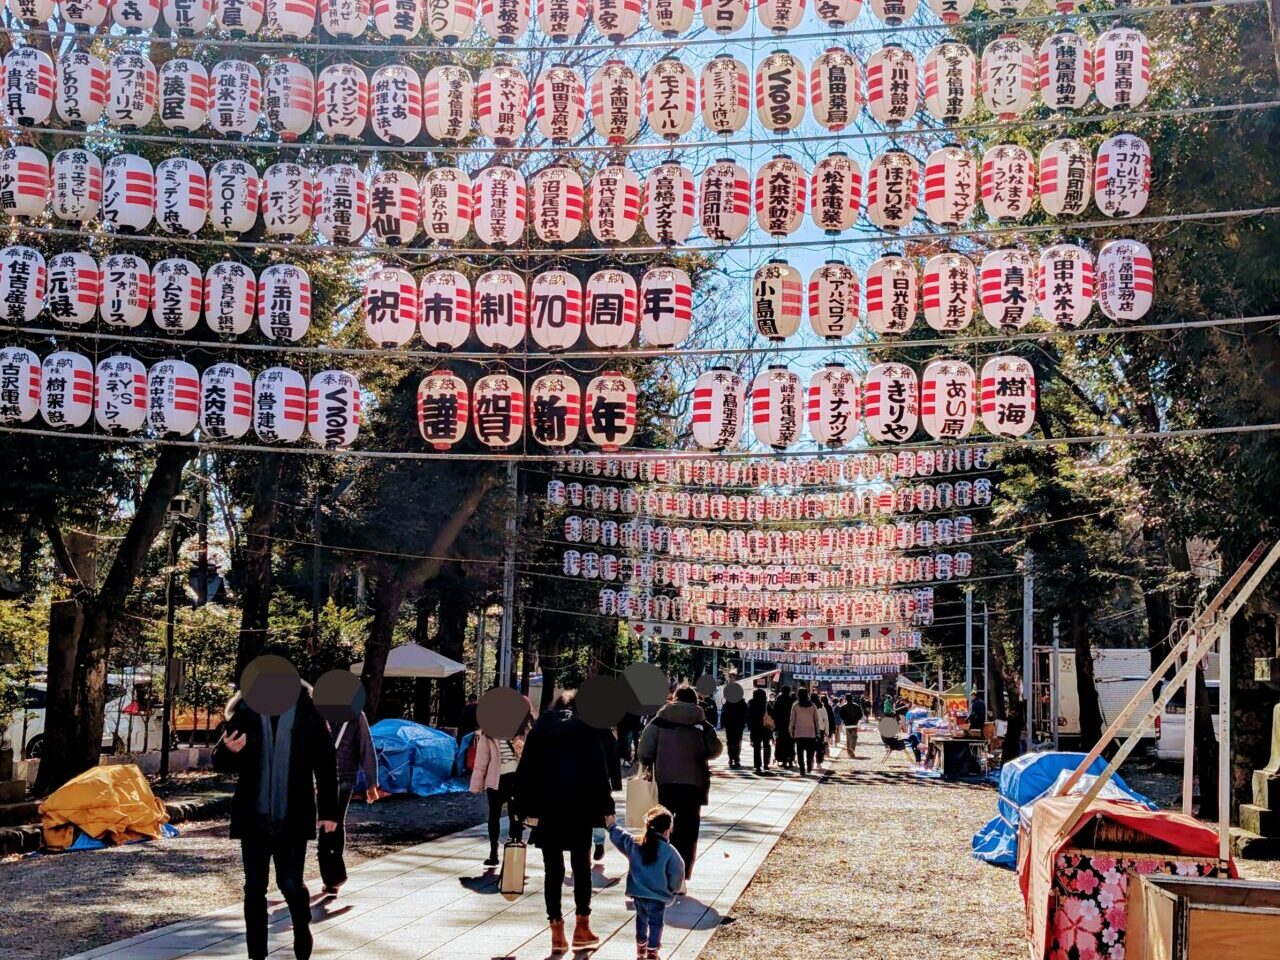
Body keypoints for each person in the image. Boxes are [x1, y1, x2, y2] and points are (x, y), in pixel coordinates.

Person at [213, 679, 338, 960]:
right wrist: (228, 752)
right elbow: (221, 761)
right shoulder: (244, 709)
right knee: (254, 888)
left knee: (290, 883)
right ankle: (256, 955)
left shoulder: (309, 711)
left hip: (292, 818)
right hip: (253, 818)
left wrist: (329, 812)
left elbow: (326, 763)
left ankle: (301, 928)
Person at [513, 691, 615, 953]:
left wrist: (520, 806)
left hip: (548, 808)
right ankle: (582, 926)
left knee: (553, 871)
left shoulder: (540, 730)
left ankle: (556, 932)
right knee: (581, 867)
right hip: (579, 808)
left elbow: (525, 769)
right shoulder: (587, 729)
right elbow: (598, 772)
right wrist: (606, 807)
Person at [637, 684, 722, 885]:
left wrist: (651, 761)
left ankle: (659, 869)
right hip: (694, 783)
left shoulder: (659, 720)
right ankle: (681, 876)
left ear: (674, 698)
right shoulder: (702, 722)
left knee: (661, 825)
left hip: (666, 781)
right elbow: (715, 749)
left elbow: (645, 751)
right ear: (695, 700)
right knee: (688, 829)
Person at [606, 806, 684, 960]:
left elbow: (620, 837)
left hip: (638, 893)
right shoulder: (669, 851)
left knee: (641, 919)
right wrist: (672, 889)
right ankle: (653, 950)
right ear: (668, 830)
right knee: (656, 923)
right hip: (658, 896)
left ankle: (641, 945)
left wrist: (611, 826)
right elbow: (677, 872)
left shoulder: (635, 843)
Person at [319, 709, 380, 894]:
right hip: (345, 776)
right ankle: (333, 877)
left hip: (322, 775)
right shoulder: (356, 713)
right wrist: (371, 783)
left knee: (326, 825)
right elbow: (366, 747)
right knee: (335, 822)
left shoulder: (318, 710)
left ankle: (333, 876)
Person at [469, 718, 528, 867]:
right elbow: (481, 760)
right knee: (494, 815)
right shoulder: (488, 733)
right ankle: (493, 852)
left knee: (515, 816)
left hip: (516, 778)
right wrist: (477, 784)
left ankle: (514, 851)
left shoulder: (521, 729)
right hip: (496, 779)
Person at [592, 725, 623, 861]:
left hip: (588, 778)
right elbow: (614, 758)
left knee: (595, 812)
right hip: (601, 779)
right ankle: (598, 843)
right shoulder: (605, 732)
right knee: (599, 812)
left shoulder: (574, 726)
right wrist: (616, 782)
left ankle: (597, 844)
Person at [788, 687, 822, 776]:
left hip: (799, 733)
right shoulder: (813, 706)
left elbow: (792, 720)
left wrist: (791, 730)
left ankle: (802, 769)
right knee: (810, 752)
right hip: (811, 733)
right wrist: (818, 732)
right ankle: (809, 766)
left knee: (800, 752)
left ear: (798, 695)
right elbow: (816, 721)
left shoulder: (795, 706)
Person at [720, 691, 748, 770]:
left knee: (730, 741)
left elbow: (724, 714)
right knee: (737, 742)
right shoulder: (742, 703)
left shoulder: (728, 703)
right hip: (739, 725)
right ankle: (736, 759)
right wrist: (744, 722)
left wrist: (723, 724)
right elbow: (746, 713)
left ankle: (731, 758)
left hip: (730, 725)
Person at [747, 688, 773, 773]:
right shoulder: (766, 704)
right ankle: (766, 764)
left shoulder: (752, 703)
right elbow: (772, 715)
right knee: (766, 746)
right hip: (766, 728)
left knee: (757, 747)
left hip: (755, 728)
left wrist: (750, 727)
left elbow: (749, 716)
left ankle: (758, 765)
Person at [773, 685, 795, 769]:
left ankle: (783, 760)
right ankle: (790, 760)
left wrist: (776, 725)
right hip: (790, 725)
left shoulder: (779, 700)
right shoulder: (792, 700)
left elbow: (775, 713)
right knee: (790, 743)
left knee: (781, 743)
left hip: (781, 725)